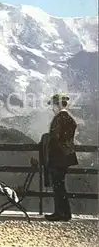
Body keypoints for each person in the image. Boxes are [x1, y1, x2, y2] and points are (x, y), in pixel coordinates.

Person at [45, 93, 78, 221]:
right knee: (61, 185)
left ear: (58, 105)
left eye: (53, 105)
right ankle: (65, 213)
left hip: (58, 157)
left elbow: (54, 138)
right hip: (66, 157)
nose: (52, 108)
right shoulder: (69, 118)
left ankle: (60, 213)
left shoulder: (58, 118)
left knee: (58, 186)